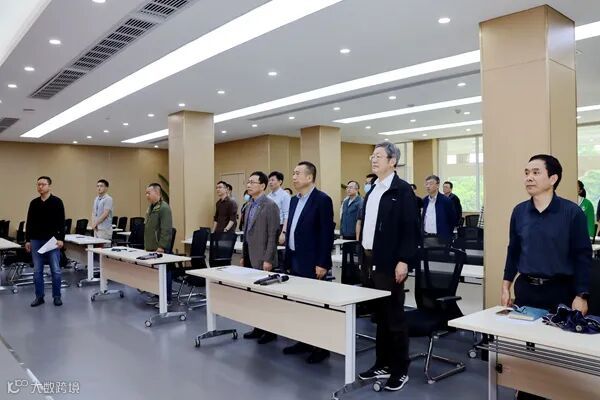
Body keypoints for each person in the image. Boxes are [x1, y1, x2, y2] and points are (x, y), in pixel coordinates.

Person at [502, 155, 592, 400]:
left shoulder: (572, 212)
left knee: (556, 350)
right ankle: (526, 391)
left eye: (536, 172)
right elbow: (513, 250)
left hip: (559, 291)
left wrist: (581, 295)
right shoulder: (519, 212)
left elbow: (583, 256)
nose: (529, 178)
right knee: (527, 347)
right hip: (527, 290)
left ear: (553, 178)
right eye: (526, 172)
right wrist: (506, 285)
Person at [356, 142, 419, 391]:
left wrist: (404, 260)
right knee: (380, 317)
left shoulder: (401, 190)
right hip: (370, 260)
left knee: (394, 318)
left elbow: (410, 229)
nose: (374, 159)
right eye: (372, 155)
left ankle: (400, 369)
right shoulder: (373, 189)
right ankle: (382, 363)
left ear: (392, 161)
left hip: (390, 263)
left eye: (379, 156)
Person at [283, 161, 334, 364]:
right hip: (295, 258)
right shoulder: (294, 201)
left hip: (313, 261)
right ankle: (304, 341)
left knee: (315, 306)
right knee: (300, 304)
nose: (294, 177)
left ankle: (321, 347)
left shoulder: (322, 200)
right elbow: (292, 229)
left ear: (310, 177)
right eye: (293, 173)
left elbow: (326, 234)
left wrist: (323, 262)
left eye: (298, 173)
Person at [240, 171, 281, 344]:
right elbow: (246, 233)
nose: (249, 185)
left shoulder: (270, 205)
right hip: (250, 255)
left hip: (263, 257)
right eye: (248, 182)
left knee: (266, 297)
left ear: (262, 186)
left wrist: (268, 259)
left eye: (253, 182)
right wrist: (244, 255)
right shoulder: (249, 204)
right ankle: (258, 327)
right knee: (254, 295)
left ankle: (270, 331)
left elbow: (273, 235)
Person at [26, 176, 66, 307]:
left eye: (43, 184)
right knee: (37, 271)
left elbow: (61, 222)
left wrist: (61, 239)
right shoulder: (34, 203)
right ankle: (39, 297)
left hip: (52, 241)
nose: (40, 187)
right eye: (38, 184)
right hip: (36, 240)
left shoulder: (57, 202)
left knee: (56, 270)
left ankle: (57, 296)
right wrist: (27, 240)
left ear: (49, 186)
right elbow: (29, 222)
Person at [144, 183, 174, 304]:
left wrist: (161, 246)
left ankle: (166, 299)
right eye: (146, 193)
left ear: (157, 193)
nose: (147, 195)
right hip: (151, 246)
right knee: (155, 273)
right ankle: (158, 294)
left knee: (164, 272)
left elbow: (166, 229)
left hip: (160, 247)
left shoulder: (164, 208)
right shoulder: (152, 207)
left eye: (149, 193)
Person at [422, 175, 457, 245]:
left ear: (437, 185)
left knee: (440, 252)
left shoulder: (446, 201)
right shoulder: (425, 200)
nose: (428, 186)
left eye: (431, 183)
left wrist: (446, 235)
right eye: (426, 184)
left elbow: (452, 220)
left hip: (441, 238)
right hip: (425, 237)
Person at [267, 171, 291, 245]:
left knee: (281, 250)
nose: (270, 182)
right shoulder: (268, 196)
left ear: (280, 182)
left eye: (272, 180)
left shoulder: (285, 195)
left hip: (280, 227)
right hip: (269, 227)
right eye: (269, 180)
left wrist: (283, 232)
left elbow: (287, 215)